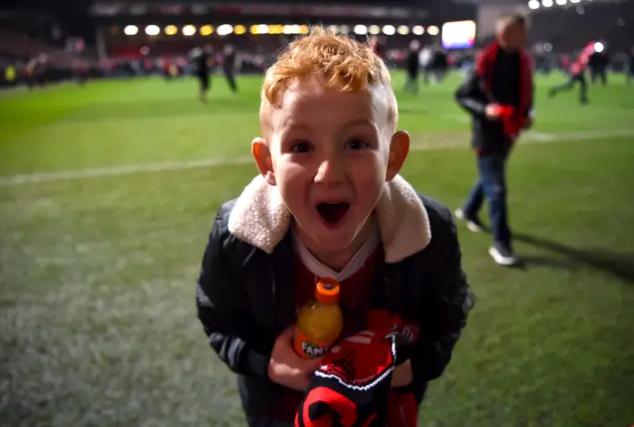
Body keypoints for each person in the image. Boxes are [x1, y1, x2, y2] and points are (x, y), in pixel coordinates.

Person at [196, 27, 474, 427]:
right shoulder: (237, 237)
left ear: (393, 157)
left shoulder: (429, 234)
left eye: (357, 144)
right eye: (301, 147)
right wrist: (269, 363)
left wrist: (403, 372)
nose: (329, 174)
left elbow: (447, 319)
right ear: (267, 164)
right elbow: (219, 319)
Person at [454, 14, 534, 266]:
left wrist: (527, 114)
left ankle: (468, 210)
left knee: (489, 178)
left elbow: (526, 94)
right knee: (496, 189)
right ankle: (502, 244)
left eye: (524, 32)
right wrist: (485, 110)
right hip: (486, 134)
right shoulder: (485, 62)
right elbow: (462, 96)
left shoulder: (523, 62)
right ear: (504, 35)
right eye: (518, 32)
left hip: (509, 131)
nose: (523, 37)